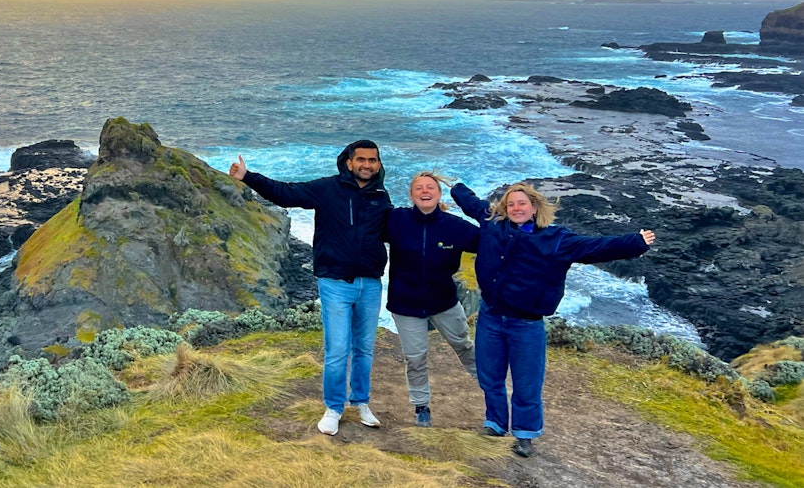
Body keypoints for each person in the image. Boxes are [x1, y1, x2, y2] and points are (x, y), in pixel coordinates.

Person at [450, 180, 655, 458]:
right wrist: (455, 186)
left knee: (527, 383)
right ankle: (495, 423)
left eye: (522, 203)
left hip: (526, 323)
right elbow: (471, 204)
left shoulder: (555, 239)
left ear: (534, 207)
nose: (515, 208)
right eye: (510, 204)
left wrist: (635, 242)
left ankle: (524, 434)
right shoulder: (493, 223)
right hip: (491, 317)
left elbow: (595, 247)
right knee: (490, 376)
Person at [229, 141, 392, 436]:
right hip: (334, 283)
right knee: (338, 349)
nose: (367, 165)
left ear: (379, 164)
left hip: (370, 283)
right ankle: (334, 407)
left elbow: (394, 230)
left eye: (373, 160)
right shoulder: (327, 189)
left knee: (364, 350)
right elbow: (285, 194)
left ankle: (361, 403)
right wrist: (247, 176)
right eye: (362, 160)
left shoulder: (380, 195)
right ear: (349, 162)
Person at [385, 171, 480, 428]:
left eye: (430, 187)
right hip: (405, 304)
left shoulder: (455, 226)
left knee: (464, 346)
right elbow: (362, 227)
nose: (425, 191)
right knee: (415, 357)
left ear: (439, 195)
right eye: (419, 188)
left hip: (444, 302)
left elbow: (491, 242)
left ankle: (492, 393)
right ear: (411, 195)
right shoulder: (396, 220)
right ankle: (421, 406)